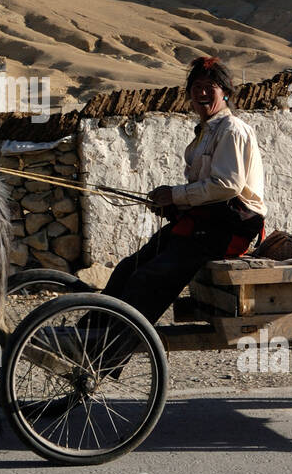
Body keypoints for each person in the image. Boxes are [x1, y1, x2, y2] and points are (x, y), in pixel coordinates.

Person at [100, 56, 266, 326]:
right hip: (205, 225)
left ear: (225, 92)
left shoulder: (231, 130)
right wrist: (174, 203)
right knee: (127, 268)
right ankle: (86, 337)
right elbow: (205, 190)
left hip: (229, 229)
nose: (201, 92)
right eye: (196, 86)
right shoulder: (206, 132)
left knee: (147, 279)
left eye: (209, 86)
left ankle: (109, 353)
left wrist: (176, 195)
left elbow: (227, 186)